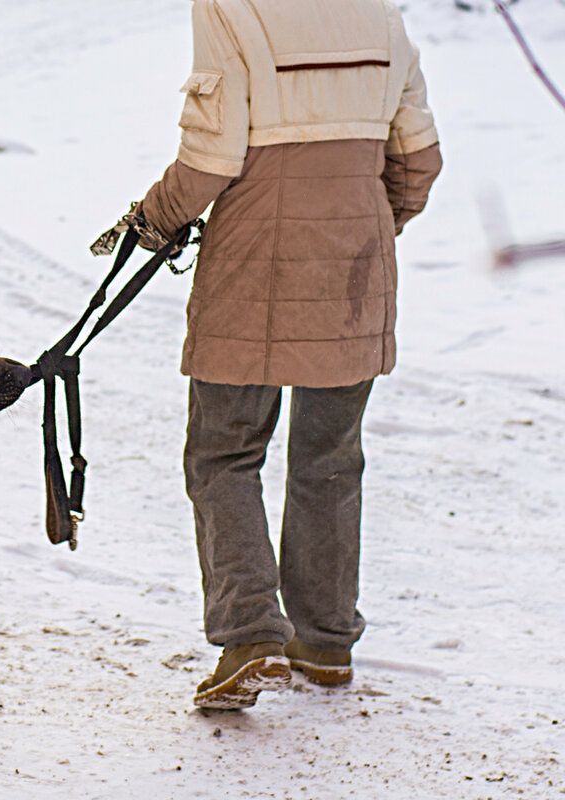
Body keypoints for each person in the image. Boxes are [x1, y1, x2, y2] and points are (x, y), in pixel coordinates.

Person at [130, 0, 442, 709]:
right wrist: (364, 222)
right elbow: (420, 160)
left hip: (251, 263)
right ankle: (326, 641)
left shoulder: (230, 8)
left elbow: (210, 158)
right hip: (355, 270)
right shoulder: (380, 16)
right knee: (330, 457)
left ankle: (250, 635)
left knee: (223, 453)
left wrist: (152, 219)